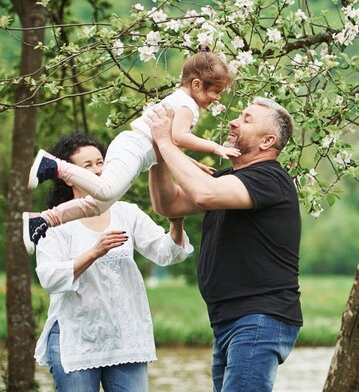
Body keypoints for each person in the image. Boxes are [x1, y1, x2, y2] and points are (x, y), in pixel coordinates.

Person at [146, 97, 302, 392]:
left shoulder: (271, 179)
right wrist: (158, 154)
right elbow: (168, 204)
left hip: (258, 317)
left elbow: (206, 194)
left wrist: (168, 143)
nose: (233, 121)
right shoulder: (229, 179)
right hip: (228, 320)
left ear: (267, 141)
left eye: (246, 119)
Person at [22, 50, 239, 254]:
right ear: (197, 84)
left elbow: (170, 145)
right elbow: (180, 137)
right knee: (105, 191)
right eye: (216, 91)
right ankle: (54, 166)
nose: (217, 98)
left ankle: (43, 220)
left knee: (98, 205)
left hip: (136, 152)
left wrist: (193, 164)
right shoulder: (188, 106)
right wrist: (214, 146)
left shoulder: (182, 100)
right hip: (133, 148)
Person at [33, 131, 194, 392]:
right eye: (88, 166)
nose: (98, 170)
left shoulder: (126, 212)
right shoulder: (53, 222)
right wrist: (93, 253)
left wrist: (176, 220)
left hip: (126, 340)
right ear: (68, 175)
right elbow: (49, 278)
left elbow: (167, 253)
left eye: (101, 163)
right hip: (76, 339)